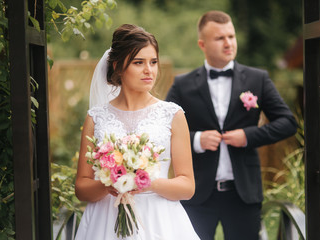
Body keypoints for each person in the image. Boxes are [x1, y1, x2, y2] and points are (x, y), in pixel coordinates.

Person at [166, 10, 298, 240]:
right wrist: (196, 139)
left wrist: (248, 136)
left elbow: (288, 123)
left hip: (243, 195)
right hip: (196, 194)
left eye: (231, 36)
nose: (228, 43)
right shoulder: (182, 84)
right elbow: (161, 129)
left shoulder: (258, 79)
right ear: (202, 44)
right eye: (219, 38)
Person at [74, 24, 200, 240]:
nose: (149, 70)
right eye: (138, 62)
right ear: (118, 66)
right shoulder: (96, 117)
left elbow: (187, 186)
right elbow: (82, 188)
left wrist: (146, 181)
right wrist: (109, 183)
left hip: (159, 221)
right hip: (105, 221)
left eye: (153, 62)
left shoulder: (173, 114)